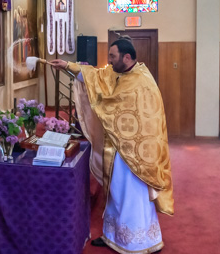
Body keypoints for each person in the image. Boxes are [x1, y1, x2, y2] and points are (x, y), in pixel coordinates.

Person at [49, 36, 174, 254]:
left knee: (131, 193)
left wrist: (111, 114)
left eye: (113, 57)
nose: (110, 61)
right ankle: (113, 236)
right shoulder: (116, 72)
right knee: (115, 191)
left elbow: (147, 118)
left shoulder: (142, 81)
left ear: (127, 57)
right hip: (116, 145)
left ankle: (139, 242)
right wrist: (66, 65)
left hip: (135, 153)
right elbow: (93, 75)